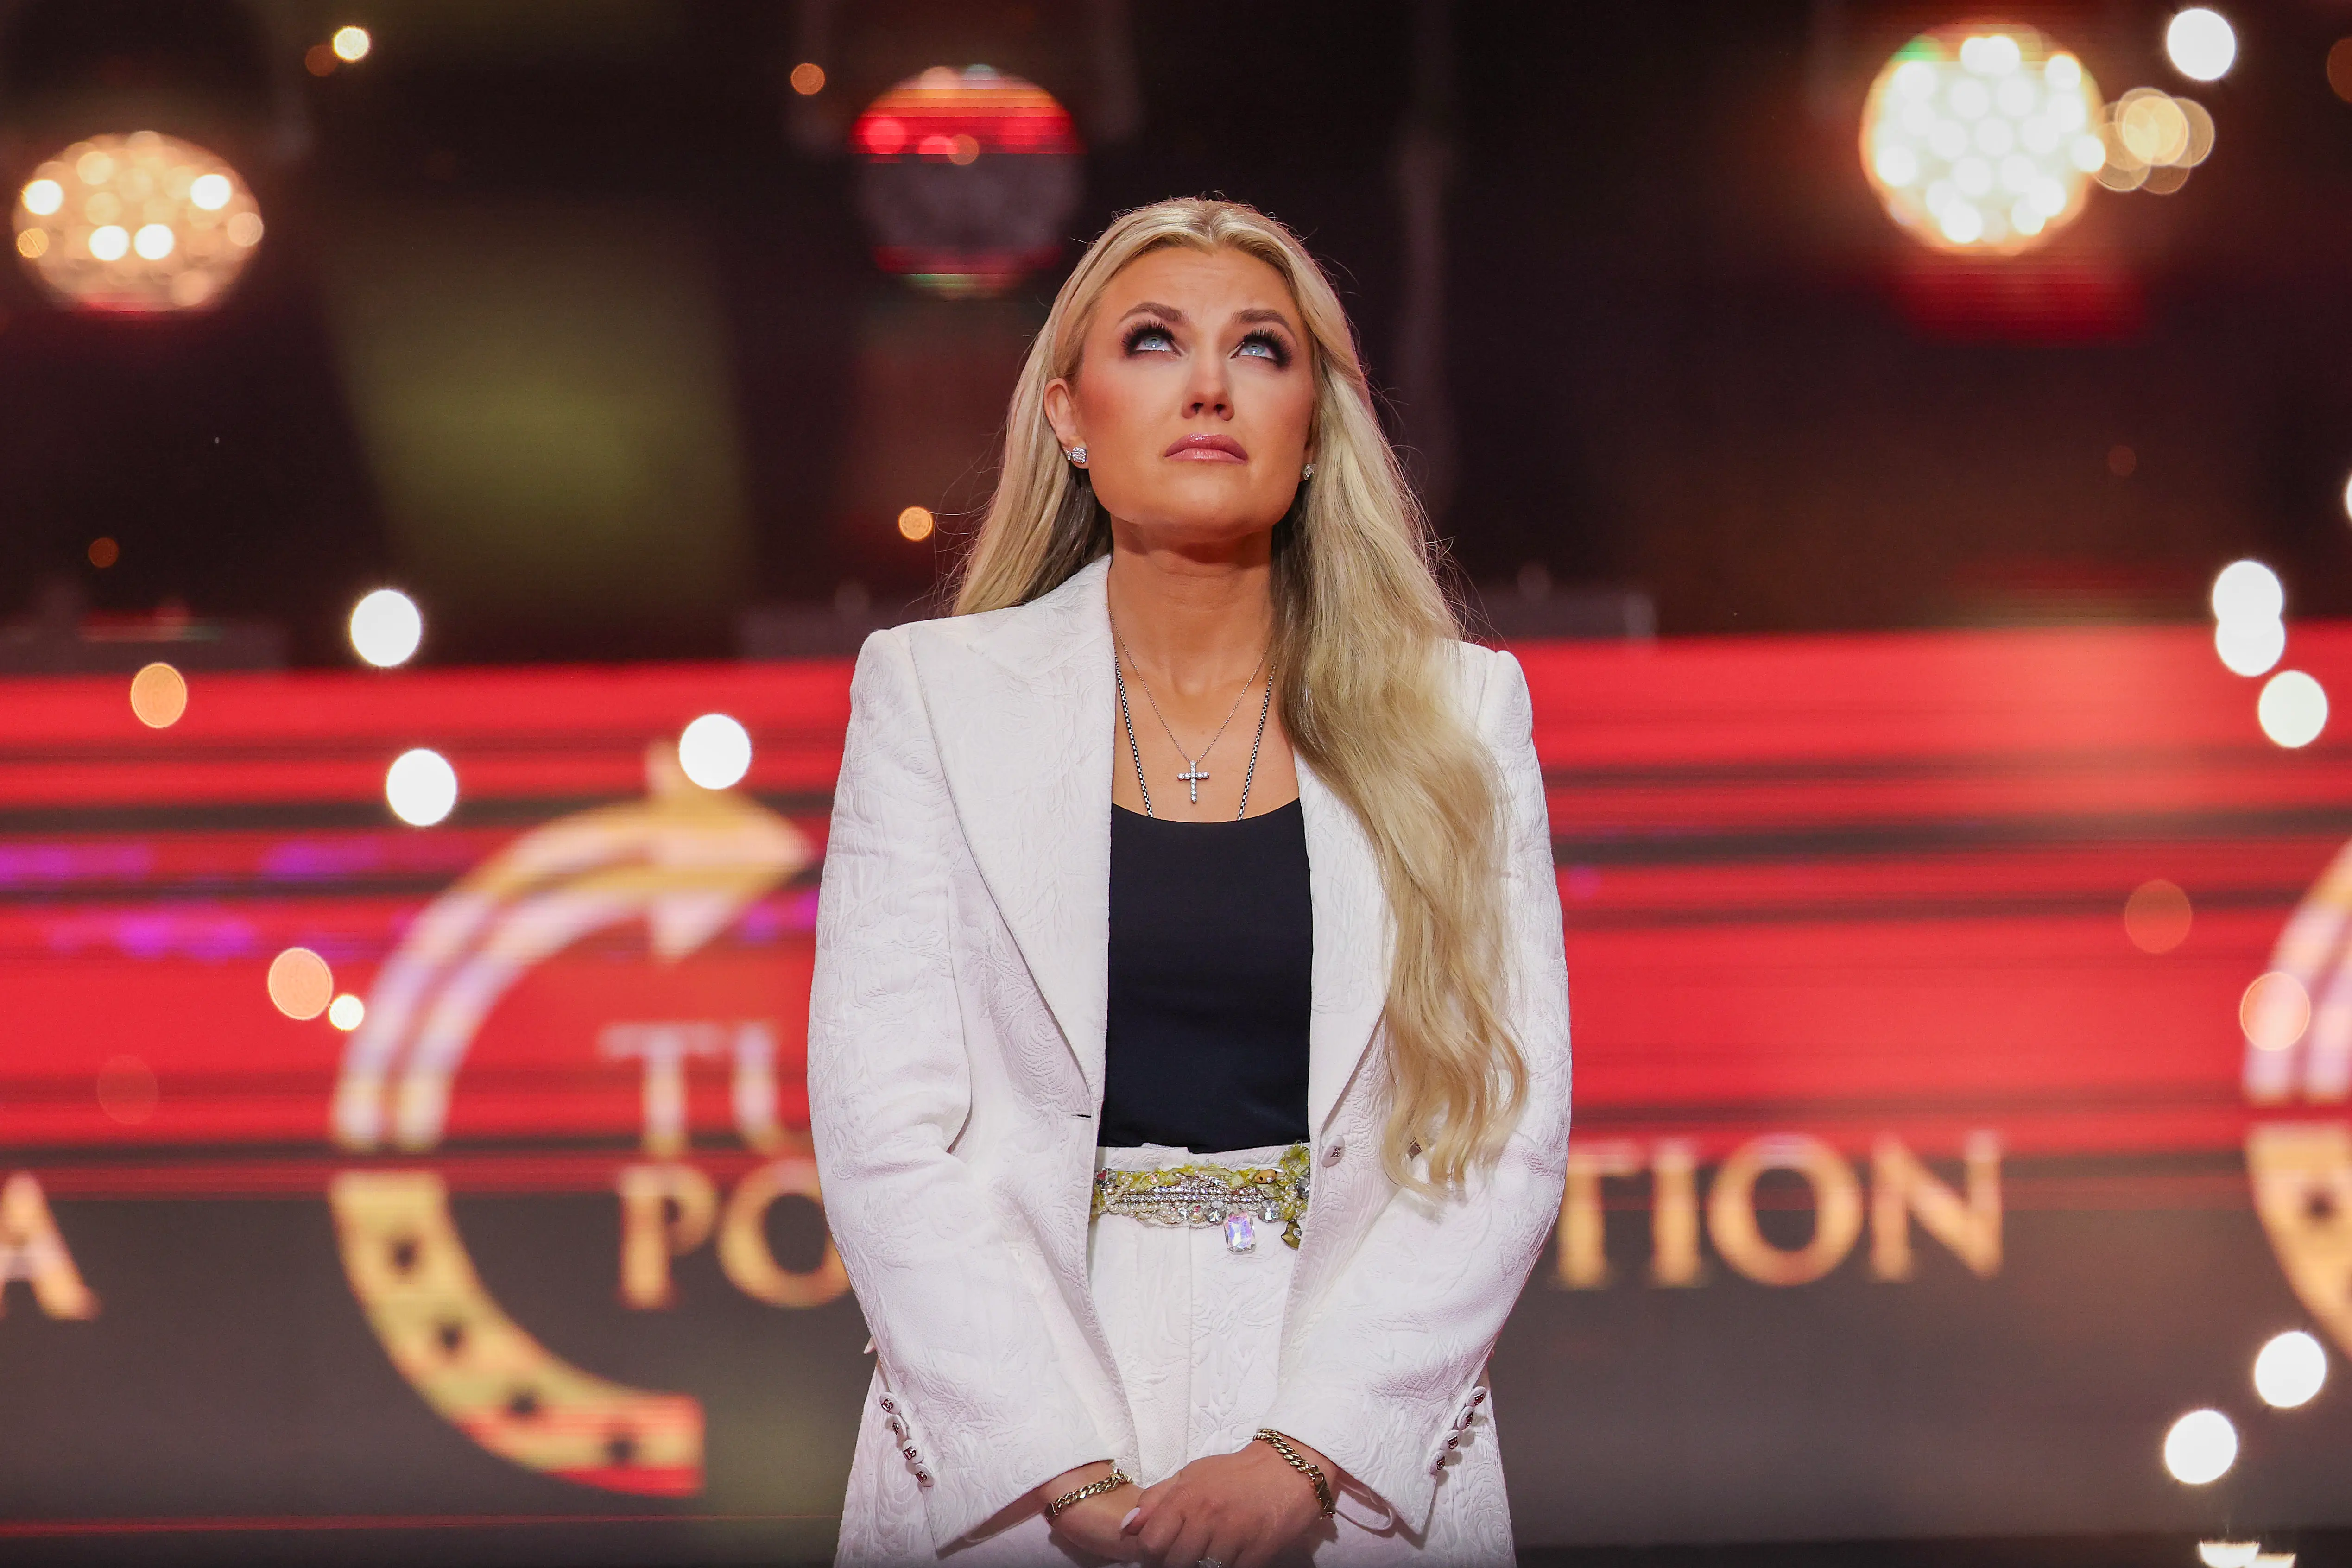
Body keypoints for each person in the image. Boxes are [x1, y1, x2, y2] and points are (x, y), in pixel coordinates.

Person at [809, 197, 1571, 1568]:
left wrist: (1302, 1455)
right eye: (1154, 341)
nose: (1210, 384)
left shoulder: (1459, 714)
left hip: (1343, 1454)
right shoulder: (931, 697)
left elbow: (1500, 1129)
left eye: (1262, 349)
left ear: (1315, 415)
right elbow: (884, 1133)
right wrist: (1059, 1472)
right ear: (1067, 413)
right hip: (1017, 1437)